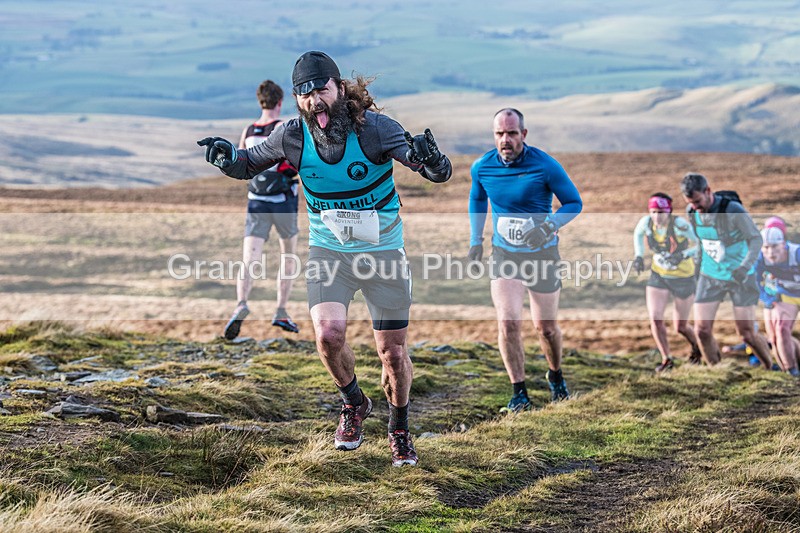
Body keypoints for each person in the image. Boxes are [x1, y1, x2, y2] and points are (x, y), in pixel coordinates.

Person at [199, 51, 452, 466]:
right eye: (304, 93)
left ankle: (400, 426)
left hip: (383, 254)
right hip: (329, 253)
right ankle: (354, 402)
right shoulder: (292, 136)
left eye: (321, 89)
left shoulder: (374, 131)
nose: (314, 99)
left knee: (391, 353)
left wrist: (434, 161)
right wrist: (228, 158)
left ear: (339, 88)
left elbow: (432, 171)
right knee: (328, 335)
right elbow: (248, 164)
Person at [468, 108, 582, 412]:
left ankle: (555, 375)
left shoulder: (544, 165)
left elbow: (574, 202)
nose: (505, 139)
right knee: (508, 321)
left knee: (545, 327)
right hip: (505, 254)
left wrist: (549, 226)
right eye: (500, 134)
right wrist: (475, 241)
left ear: (523, 134)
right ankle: (519, 392)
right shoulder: (482, 167)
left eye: (512, 133)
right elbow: (477, 199)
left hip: (543, 254)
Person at [223, 80, 301, 341]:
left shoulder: (248, 129)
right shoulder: (283, 128)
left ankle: (241, 303)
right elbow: (295, 162)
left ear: (260, 102)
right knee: (287, 256)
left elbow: (241, 162)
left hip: (256, 200)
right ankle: (281, 310)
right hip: (284, 201)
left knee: (250, 257)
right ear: (280, 102)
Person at [680, 173, 773, 369]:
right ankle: (716, 371)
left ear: (708, 191)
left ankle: (770, 367)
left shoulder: (733, 210)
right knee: (701, 330)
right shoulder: (692, 212)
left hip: (741, 276)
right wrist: (697, 273)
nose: (695, 207)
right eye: (691, 203)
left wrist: (744, 267)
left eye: (698, 201)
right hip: (710, 275)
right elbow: (701, 244)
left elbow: (756, 239)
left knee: (746, 333)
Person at [632, 193, 701, 371]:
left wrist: (683, 255)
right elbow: (637, 235)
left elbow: (699, 244)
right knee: (655, 318)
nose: (657, 216)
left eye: (661, 212)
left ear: (669, 211)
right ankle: (667, 359)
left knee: (681, 326)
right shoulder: (646, 223)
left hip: (683, 277)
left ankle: (696, 348)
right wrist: (639, 256)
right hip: (659, 275)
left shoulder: (679, 225)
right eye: (653, 211)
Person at [755, 218, 800, 376]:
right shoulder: (760, 258)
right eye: (766, 247)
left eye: (774, 247)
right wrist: (769, 299)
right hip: (786, 295)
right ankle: (791, 371)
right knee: (779, 331)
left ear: (783, 244)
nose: (770, 252)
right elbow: (754, 281)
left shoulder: (797, 253)